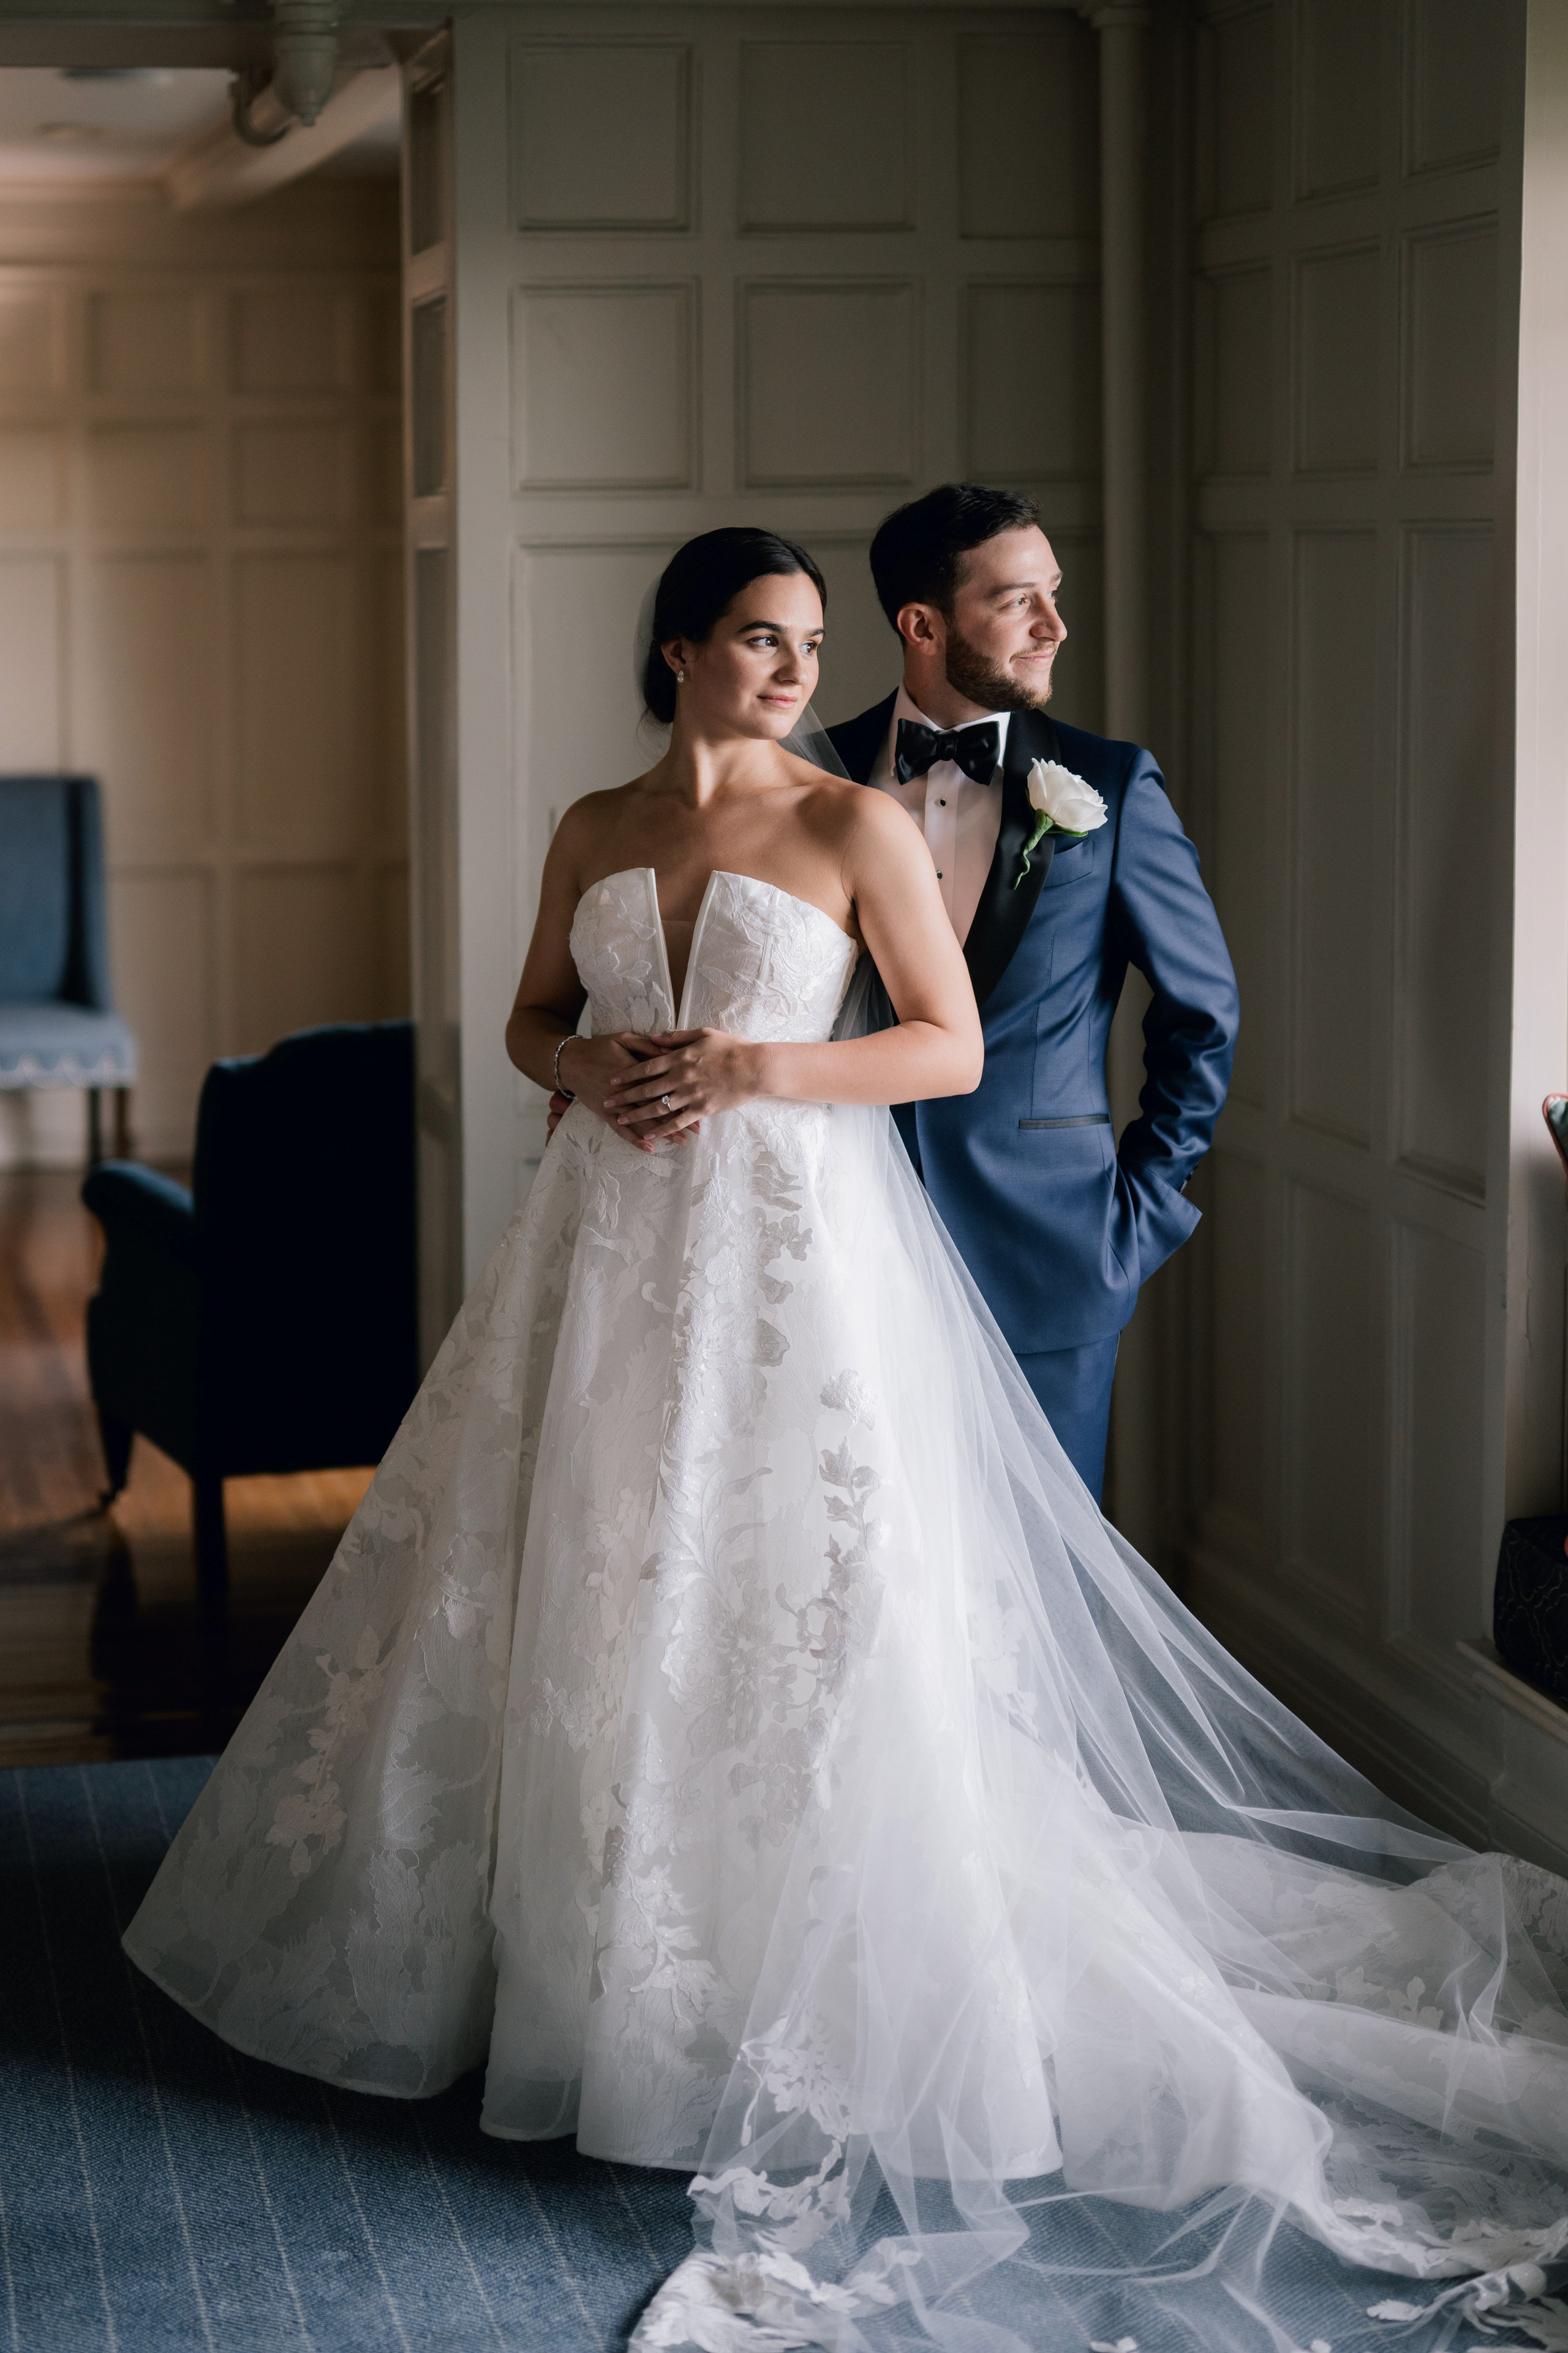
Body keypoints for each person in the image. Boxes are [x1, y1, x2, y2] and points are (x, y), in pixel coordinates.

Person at [123, 528, 1568, 2353]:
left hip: (789, 1250)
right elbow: (530, 1016)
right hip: (603, 1245)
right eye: (758, 640)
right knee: (578, 1571)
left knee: (787, 1598)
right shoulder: (591, 825)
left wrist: (746, 1070)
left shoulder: (851, 828)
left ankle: (755, 1997)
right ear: (675, 655)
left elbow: (947, 1046)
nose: (797, 671)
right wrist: (579, 1070)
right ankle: (554, 1966)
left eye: (809, 641)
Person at [827, 483, 1237, 1501]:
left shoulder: (1115, 785)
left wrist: (1137, 1218)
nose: (1056, 625)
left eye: (1052, 593)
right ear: (922, 624)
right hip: (839, 1250)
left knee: (1042, 1604)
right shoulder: (813, 776)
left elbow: (1203, 1016)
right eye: (1019, 601)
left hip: (1051, 1261)